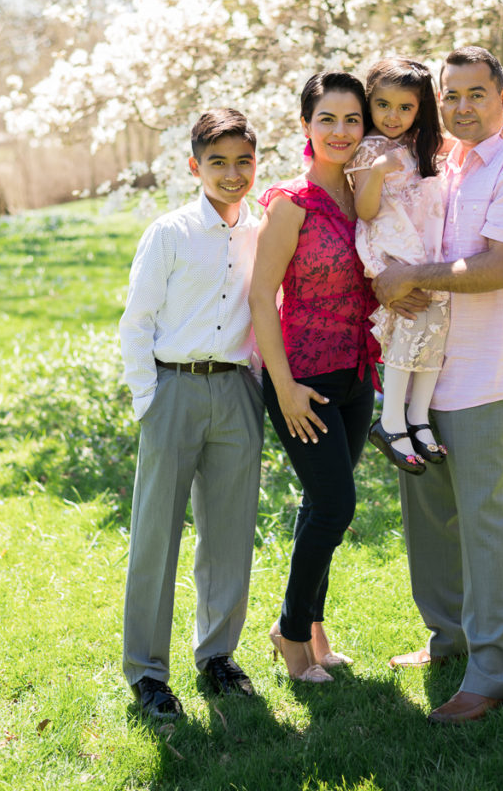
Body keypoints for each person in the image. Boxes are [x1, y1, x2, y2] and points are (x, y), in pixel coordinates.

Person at [374, 46, 503, 724]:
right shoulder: (441, 165)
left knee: (483, 525)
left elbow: (501, 267)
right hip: (423, 373)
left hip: (483, 374)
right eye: (448, 96)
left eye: (474, 94)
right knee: (428, 521)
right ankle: (447, 638)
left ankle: (491, 671)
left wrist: (415, 275)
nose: (459, 107)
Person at [119, 108, 264, 721]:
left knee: (230, 533)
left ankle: (218, 656)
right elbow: (137, 322)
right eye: (218, 163)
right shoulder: (170, 232)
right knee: (157, 534)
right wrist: (148, 401)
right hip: (173, 391)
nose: (232, 175)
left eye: (243, 162)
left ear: (257, 164)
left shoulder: (263, 228)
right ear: (194, 166)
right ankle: (148, 672)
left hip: (236, 390)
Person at [248, 71, 379, 684]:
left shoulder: (370, 197)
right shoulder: (289, 204)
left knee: (319, 505)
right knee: (334, 505)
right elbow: (260, 299)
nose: (341, 130)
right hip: (304, 382)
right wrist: (284, 387)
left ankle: (316, 630)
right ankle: (291, 634)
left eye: (352, 119)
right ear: (306, 126)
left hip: (358, 379)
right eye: (327, 118)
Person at [344, 57, 450, 475]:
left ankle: (419, 417)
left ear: (420, 109)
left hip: (424, 249)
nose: (393, 116)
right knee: (407, 327)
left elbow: (458, 146)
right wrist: (374, 171)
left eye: (405, 108)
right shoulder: (369, 148)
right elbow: (366, 210)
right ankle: (390, 422)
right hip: (391, 248)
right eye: (383, 105)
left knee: (436, 324)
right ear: (369, 103)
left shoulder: (420, 141)